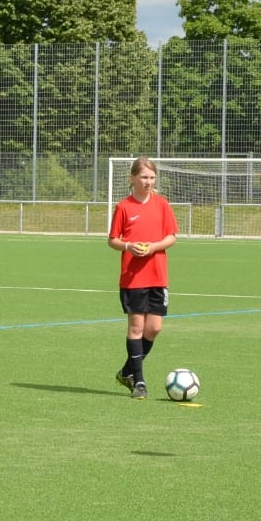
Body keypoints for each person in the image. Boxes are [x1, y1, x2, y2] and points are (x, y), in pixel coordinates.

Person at [107, 157, 178, 399]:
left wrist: (153, 247)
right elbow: (112, 240)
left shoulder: (162, 204)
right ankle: (139, 382)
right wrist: (129, 246)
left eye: (151, 177)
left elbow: (172, 237)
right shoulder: (124, 207)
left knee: (154, 328)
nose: (148, 182)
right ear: (132, 178)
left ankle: (126, 371)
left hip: (158, 275)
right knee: (136, 327)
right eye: (144, 177)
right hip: (133, 277)